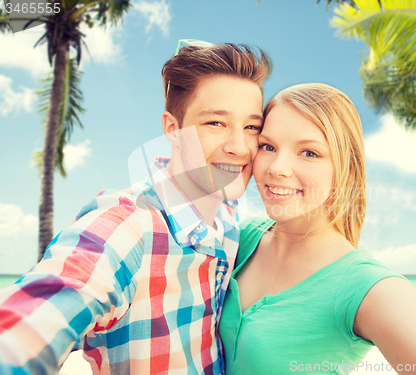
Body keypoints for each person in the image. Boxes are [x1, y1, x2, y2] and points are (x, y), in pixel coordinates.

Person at [0, 41, 271, 375]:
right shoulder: (129, 226)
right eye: (215, 123)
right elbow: (28, 325)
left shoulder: (228, 225)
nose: (239, 147)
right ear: (173, 130)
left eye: (252, 127)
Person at [219, 83, 416, 374]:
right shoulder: (243, 237)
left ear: (346, 168)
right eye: (268, 146)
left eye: (309, 153)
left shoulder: (365, 287)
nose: (277, 167)